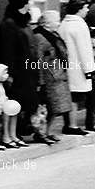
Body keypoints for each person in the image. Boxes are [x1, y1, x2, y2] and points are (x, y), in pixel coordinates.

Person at [0, 0, 45, 144]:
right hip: (17, 72)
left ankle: (15, 134)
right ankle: (6, 136)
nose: (32, 2)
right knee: (13, 103)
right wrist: (9, 74)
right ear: (22, 1)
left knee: (22, 104)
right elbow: (7, 51)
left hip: (28, 71)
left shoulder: (25, 21)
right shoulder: (9, 23)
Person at [33, 10, 74, 141]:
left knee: (55, 108)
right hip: (49, 77)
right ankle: (40, 133)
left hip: (57, 75)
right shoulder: (40, 37)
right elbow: (38, 60)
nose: (59, 23)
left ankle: (47, 132)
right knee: (48, 107)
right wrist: (40, 81)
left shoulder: (53, 34)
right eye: (56, 20)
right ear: (46, 23)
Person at [59, 0, 95, 136]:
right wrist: (89, 70)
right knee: (76, 97)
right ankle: (72, 125)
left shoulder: (64, 23)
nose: (87, 11)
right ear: (79, 9)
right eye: (86, 8)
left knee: (70, 95)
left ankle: (68, 123)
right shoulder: (80, 25)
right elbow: (84, 49)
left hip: (67, 65)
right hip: (78, 67)